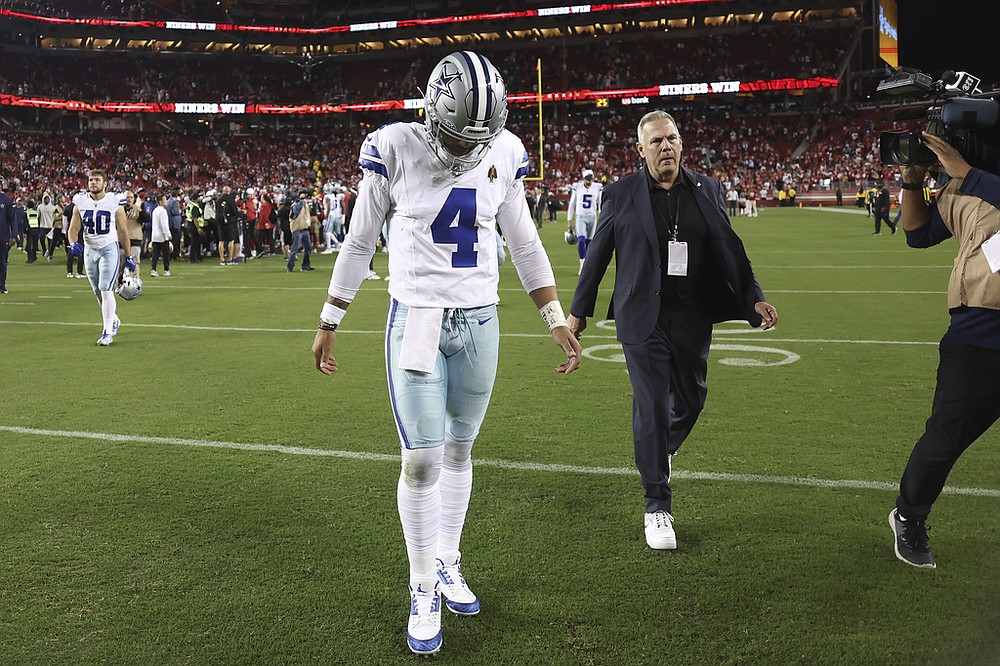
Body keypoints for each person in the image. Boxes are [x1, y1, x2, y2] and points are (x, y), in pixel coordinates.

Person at [310, 51, 581, 657]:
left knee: (460, 451)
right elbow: (358, 240)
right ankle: (421, 583)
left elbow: (525, 240)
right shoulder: (395, 147)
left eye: (478, 137)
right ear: (433, 112)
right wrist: (331, 317)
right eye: (460, 136)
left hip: (481, 320)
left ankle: (449, 559)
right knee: (421, 461)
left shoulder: (504, 151)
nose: (469, 149)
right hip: (419, 322)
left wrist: (553, 317)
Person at [567, 110, 778, 551]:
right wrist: (578, 315)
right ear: (640, 150)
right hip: (641, 317)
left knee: (692, 397)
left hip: (692, 314)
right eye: (657, 141)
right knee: (651, 403)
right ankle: (656, 505)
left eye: (673, 139)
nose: (667, 147)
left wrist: (752, 296)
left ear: (682, 144)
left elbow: (729, 248)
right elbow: (598, 257)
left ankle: (658, 449)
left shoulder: (708, 189)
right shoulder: (621, 194)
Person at [888, 132, 1000, 569]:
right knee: (945, 440)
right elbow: (917, 234)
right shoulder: (965, 188)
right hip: (978, 333)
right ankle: (908, 515)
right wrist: (912, 182)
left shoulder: (971, 180)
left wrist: (967, 174)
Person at [66, 169, 135, 346]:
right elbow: (73, 229)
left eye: (97, 180)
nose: (92, 183)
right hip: (90, 250)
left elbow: (123, 231)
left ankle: (107, 332)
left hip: (108, 248)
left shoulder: (114, 202)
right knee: (97, 291)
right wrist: (73, 243)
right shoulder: (80, 201)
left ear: (105, 183)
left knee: (106, 288)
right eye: (90, 180)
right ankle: (114, 319)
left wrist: (128, 256)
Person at [566, 169, 603, 274]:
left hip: (592, 218)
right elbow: (572, 203)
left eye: (590, 179)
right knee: (581, 241)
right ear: (583, 179)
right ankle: (582, 263)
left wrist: (601, 217)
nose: (589, 181)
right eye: (587, 179)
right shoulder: (577, 186)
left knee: (590, 244)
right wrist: (569, 220)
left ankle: (588, 264)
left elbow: (600, 204)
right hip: (580, 217)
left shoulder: (597, 187)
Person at [286, 191, 314, 272]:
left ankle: (306, 265)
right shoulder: (295, 205)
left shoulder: (305, 205)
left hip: (304, 228)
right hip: (297, 229)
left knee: (308, 247)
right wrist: (303, 203)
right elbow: (297, 211)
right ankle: (290, 266)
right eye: (302, 198)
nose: (304, 200)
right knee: (294, 248)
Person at [149, 192, 172, 277]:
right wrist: (168, 234)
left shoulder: (155, 210)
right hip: (162, 236)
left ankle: (153, 269)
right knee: (166, 254)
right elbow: (164, 224)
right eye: (164, 200)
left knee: (155, 254)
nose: (166, 201)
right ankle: (166, 270)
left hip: (155, 235)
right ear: (160, 201)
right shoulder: (162, 211)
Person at [0, 180, 14, 294]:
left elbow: (12, 218)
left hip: (2, 236)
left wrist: (14, 235)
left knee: (2, 261)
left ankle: (1, 285)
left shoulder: (6, 200)